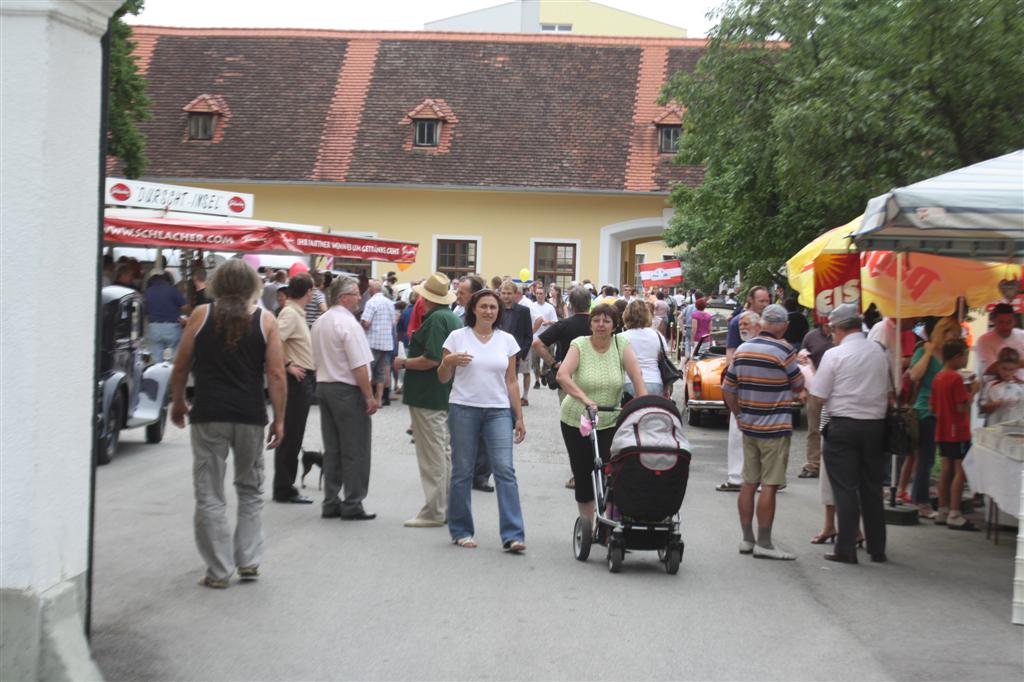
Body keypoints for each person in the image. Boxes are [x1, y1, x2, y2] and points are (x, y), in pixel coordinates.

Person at [169, 259, 286, 588]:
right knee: (250, 490)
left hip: (208, 414)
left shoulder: (200, 316)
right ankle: (248, 561)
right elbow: (276, 374)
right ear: (254, 287)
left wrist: (178, 400)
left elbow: (181, 366)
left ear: (216, 284)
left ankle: (219, 571)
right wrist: (280, 419)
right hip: (250, 416)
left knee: (209, 492)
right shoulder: (266, 321)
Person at [438, 289, 527, 551]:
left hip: (498, 411)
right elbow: (443, 377)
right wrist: (448, 362)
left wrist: (518, 416)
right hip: (463, 408)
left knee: (505, 470)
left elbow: (511, 381)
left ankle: (513, 534)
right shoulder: (457, 337)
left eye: (493, 307)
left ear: (499, 312)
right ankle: (461, 530)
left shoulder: (507, 340)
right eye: (484, 306)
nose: (489, 311)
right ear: (473, 309)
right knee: (462, 471)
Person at [806, 304, 890, 564]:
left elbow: (818, 395)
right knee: (872, 488)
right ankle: (877, 548)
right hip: (875, 426)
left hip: (844, 425)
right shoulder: (879, 352)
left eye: (832, 329)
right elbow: (888, 387)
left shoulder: (835, 354)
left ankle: (846, 548)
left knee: (845, 488)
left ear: (839, 328)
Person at [722, 304, 803, 560]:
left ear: (763, 323)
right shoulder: (785, 350)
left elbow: (728, 388)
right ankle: (765, 543)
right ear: (784, 326)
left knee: (748, 482)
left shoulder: (744, 349)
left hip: (749, 425)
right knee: (769, 484)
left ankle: (747, 539)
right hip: (775, 427)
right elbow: (799, 384)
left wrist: (739, 415)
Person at [556, 303, 646, 528]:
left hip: (610, 420)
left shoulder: (621, 344)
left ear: (615, 326)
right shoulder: (579, 345)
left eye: (606, 321)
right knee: (583, 471)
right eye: (596, 320)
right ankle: (587, 525)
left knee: (611, 471)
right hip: (577, 418)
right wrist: (585, 399)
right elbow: (562, 376)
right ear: (590, 324)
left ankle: (606, 520)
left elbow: (636, 374)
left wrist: (644, 404)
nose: (601, 325)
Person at [395, 273, 462, 528]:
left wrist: (403, 362)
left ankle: (435, 510)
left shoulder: (436, 320)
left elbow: (432, 359)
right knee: (441, 452)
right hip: (439, 394)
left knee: (432, 455)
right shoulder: (450, 317)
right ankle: (441, 506)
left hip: (428, 395)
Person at [311, 276, 379, 521]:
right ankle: (353, 502)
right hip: (346, 390)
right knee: (355, 448)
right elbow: (359, 365)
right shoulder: (349, 324)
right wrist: (369, 396)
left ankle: (331, 499)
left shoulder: (320, 322)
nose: (359, 297)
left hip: (324, 386)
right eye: (355, 293)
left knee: (333, 448)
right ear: (343, 298)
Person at [717, 286, 771, 492]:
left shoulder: (769, 320)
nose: (765, 305)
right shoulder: (738, 322)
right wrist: (735, 379)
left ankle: (760, 477)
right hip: (744, 382)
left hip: (765, 383)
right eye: (761, 301)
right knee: (739, 431)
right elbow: (731, 354)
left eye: (767, 300)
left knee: (763, 433)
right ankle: (737, 476)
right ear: (750, 300)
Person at [907, 316, 962, 518]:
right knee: (926, 458)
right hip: (926, 409)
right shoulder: (925, 350)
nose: (954, 338)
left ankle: (938, 500)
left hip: (945, 412)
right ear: (942, 333)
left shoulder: (949, 357)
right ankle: (920, 501)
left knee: (943, 458)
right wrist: (929, 352)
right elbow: (914, 375)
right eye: (952, 334)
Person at [272, 274, 317, 504]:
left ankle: (285, 485)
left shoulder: (295, 312)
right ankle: (283, 487)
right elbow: (274, 341)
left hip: (303, 379)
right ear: (308, 292)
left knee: (294, 433)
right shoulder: (290, 313)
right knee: (291, 434)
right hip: (297, 380)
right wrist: (288, 365)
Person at [930, 339, 980, 530]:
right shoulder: (956, 378)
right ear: (958, 356)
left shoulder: (938, 377)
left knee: (946, 469)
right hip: (957, 430)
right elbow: (961, 407)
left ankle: (943, 509)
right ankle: (954, 512)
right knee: (961, 470)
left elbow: (932, 406)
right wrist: (972, 391)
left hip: (942, 428)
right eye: (965, 355)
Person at [497, 281, 534, 406]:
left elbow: (528, 335)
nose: (506, 296)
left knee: (511, 382)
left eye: (509, 293)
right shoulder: (495, 309)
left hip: (514, 355)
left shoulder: (523, 311)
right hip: (496, 352)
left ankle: (510, 408)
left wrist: (521, 354)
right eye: (503, 293)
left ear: (515, 294)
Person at [360, 279, 397, 407]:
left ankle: (368, 398)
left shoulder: (371, 302)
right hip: (387, 343)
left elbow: (366, 322)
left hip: (373, 342)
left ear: (371, 289)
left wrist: (360, 326)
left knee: (369, 371)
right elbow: (393, 323)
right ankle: (379, 399)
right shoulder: (390, 303)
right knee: (381, 372)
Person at [619, 299, 665, 399]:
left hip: (628, 383)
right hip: (655, 381)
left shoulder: (621, 337)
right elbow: (663, 358)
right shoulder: (657, 335)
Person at [145, 270, 191, 363]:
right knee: (175, 358)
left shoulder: (147, 292)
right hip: (172, 328)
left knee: (156, 360)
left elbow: (144, 310)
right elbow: (185, 307)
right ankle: (172, 376)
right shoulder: (172, 290)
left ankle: (157, 376)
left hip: (154, 328)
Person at [976, 303, 1024, 380]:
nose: (1005, 327)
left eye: (1009, 322)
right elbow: (990, 368)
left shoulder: (1022, 335)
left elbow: (998, 366)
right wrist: (1018, 363)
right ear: (993, 321)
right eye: (1001, 322)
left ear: (1014, 321)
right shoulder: (984, 340)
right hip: (995, 388)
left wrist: (1005, 363)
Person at [980, 348, 1024, 425]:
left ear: (1016, 369)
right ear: (998, 367)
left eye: (1011, 369)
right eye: (1004, 369)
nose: (1007, 372)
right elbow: (983, 408)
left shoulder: (1021, 386)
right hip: (995, 426)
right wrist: (994, 404)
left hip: (1014, 427)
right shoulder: (991, 385)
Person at [530, 281, 558, 388]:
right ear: (535, 294)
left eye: (541, 293)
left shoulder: (549, 307)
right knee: (535, 362)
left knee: (547, 360)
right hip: (535, 337)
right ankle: (537, 380)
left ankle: (544, 373)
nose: (539, 295)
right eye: (537, 293)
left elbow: (555, 321)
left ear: (545, 295)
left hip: (548, 338)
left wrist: (548, 322)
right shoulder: (531, 306)